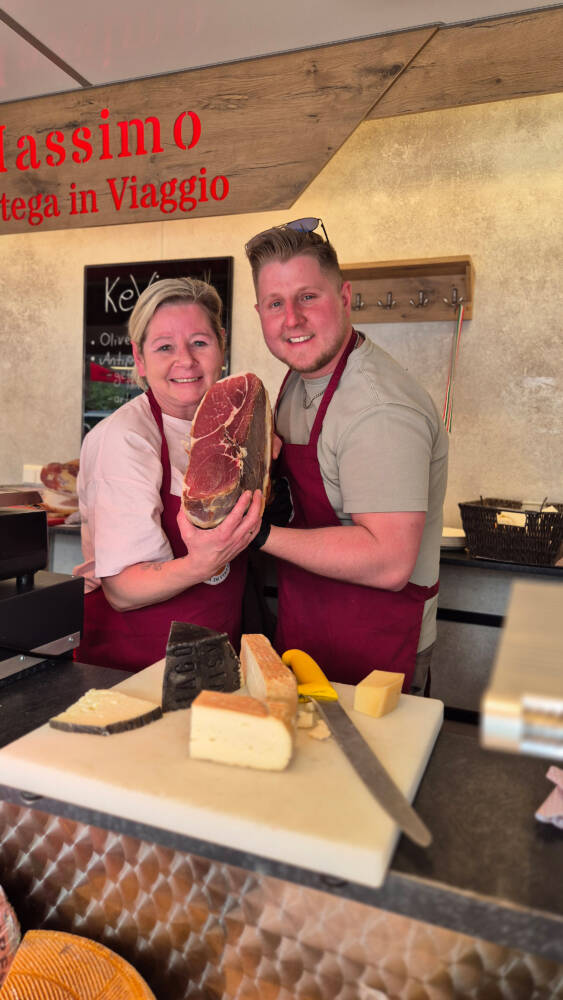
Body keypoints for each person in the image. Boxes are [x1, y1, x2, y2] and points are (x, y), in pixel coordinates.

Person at [245, 219, 448, 694]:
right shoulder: (301, 375)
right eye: (276, 303)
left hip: (377, 644)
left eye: (308, 297)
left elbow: (389, 559)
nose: (291, 319)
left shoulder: (379, 409)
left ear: (345, 297)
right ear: (260, 312)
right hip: (308, 630)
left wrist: (258, 534)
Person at [74, 276, 264, 672]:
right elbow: (122, 590)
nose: (186, 361)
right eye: (164, 347)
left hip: (213, 652)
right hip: (135, 669)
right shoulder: (124, 439)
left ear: (221, 346)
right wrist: (202, 563)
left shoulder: (228, 428)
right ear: (139, 359)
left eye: (199, 342)